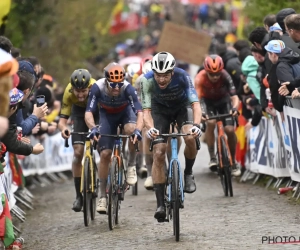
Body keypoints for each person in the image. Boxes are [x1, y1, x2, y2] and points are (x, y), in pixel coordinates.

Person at [140, 51, 202, 222]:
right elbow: (146, 112)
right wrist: (151, 128)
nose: (161, 79)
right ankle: (160, 204)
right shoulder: (146, 80)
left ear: (172, 72)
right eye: (158, 75)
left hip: (182, 108)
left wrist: (196, 125)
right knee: (159, 152)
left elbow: (195, 105)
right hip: (160, 111)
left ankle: (188, 173)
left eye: (165, 75)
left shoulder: (183, 77)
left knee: (190, 137)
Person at [85, 62, 143, 214]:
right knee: (105, 154)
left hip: (125, 113)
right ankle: (102, 196)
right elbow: (89, 112)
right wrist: (92, 128)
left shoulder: (128, 88)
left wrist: (137, 130)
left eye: (119, 84)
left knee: (131, 130)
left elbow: (140, 112)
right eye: (113, 84)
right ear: (106, 81)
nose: (116, 88)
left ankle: (131, 165)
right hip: (107, 116)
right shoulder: (97, 87)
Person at [194, 55, 240, 176]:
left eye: (217, 74)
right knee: (210, 122)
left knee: (229, 130)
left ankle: (233, 161)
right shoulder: (200, 78)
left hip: (223, 100)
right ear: (206, 71)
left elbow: (235, 97)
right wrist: (201, 113)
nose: (215, 77)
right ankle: (212, 157)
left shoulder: (225, 75)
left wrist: (234, 108)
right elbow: (197, 100)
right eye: (211, 74)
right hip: (207, 102)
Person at [58, 69, 97, 212]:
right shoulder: (68, 92)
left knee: (103, 147)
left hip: (96, 112)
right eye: (77, 91)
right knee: (78, 153)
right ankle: (78, 196)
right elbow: (62, 121)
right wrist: (64, 129)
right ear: (72, 88)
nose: (80, 95)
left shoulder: (96, 88)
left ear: (89, 88)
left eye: (83, 91)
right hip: (79, 113)